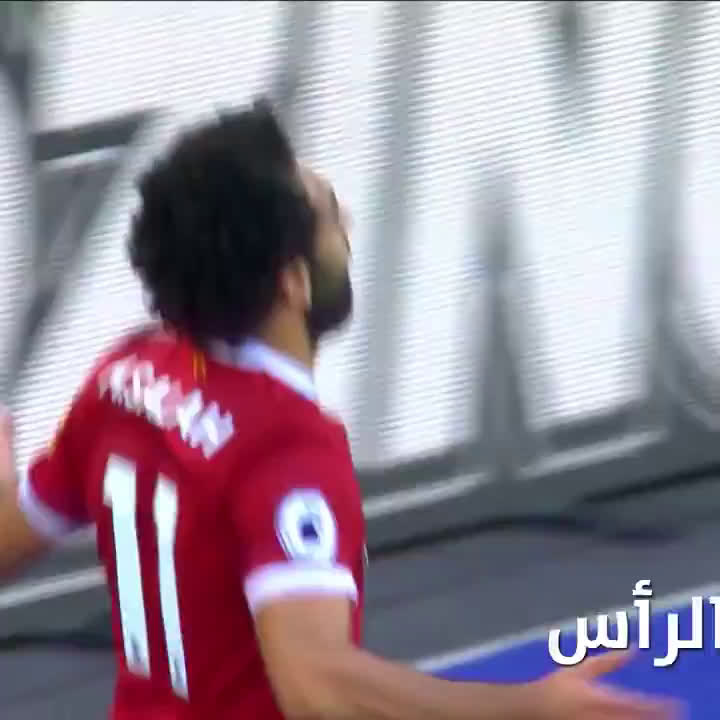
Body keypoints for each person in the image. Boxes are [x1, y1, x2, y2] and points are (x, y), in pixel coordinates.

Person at [0, 99, 678, 720]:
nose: (348, 225)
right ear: (292, 283)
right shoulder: (285, 452)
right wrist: (528, 708)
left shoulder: (124, 375)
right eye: (329, 216)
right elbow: (318, 687)